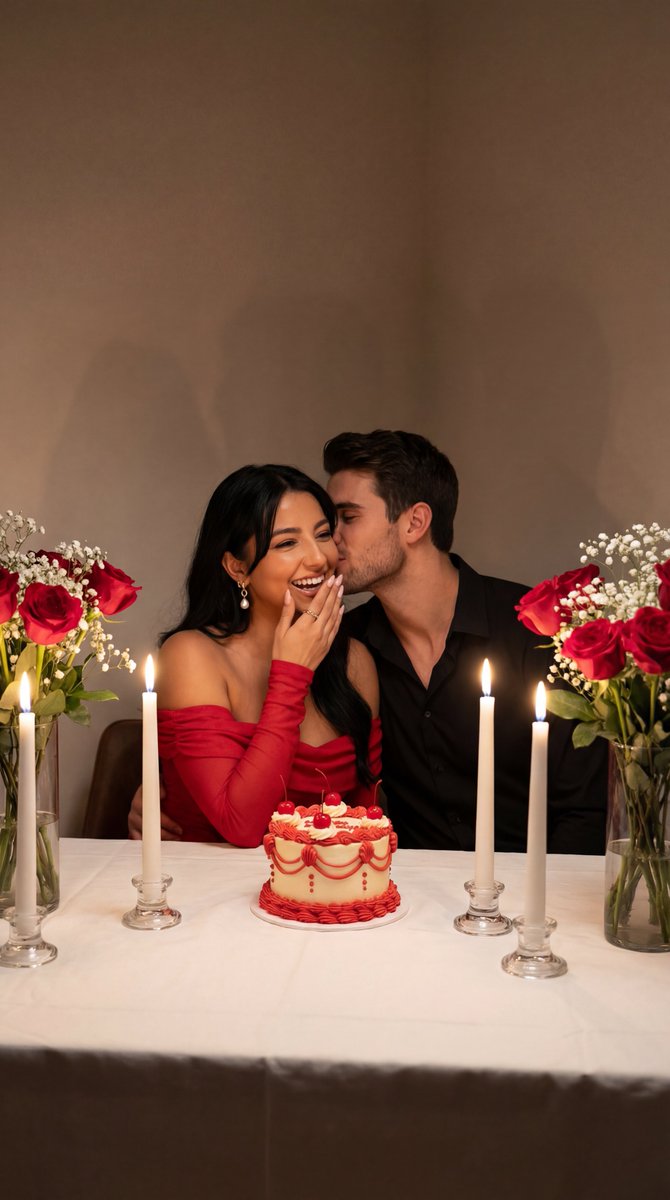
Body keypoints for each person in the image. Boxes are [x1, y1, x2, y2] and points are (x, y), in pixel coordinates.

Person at [323, 430, 607, 853]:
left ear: (415, 522)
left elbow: (587, 810)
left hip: (538, 897)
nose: (332, 538)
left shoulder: (535, 630)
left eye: (348, 517)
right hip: (412, 901)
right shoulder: (347, 644)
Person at [142, 464, 381, 846]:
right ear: (237, 567)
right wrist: (291, 674)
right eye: (287, 543)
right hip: (205, 890)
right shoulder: (191, 655)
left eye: (323, 535)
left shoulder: (355, 662)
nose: (319, 558)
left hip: (317, 895)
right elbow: (243, 827)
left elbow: (365, 824)